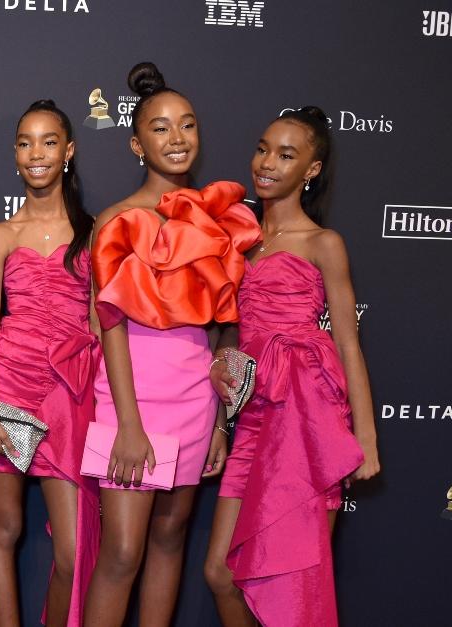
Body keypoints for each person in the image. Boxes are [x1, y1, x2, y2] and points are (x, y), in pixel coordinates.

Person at [83, 62, 260, 627]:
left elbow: (219, 330)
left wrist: (218, 423)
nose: (177, 138)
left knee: (168, 539)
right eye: (160, 128)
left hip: (194, 400)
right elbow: (107, 327)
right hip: (131, 402)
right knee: (122, 553)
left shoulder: (219, 222)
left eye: (187, 125)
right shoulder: (117, 220)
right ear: (136, 142)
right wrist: (129, 426)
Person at [203, 107, 381, 627]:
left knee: (292, 580)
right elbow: (228, 337)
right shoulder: (238, 239)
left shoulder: (324, 244)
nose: (267, 163)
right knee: (221, 573)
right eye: (263, 149)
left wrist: (365, 439)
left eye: (286, 155)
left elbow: (349, 344)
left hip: (306, 417)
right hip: (253, 417)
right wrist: (218, 418)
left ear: (312, 170)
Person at [0, 99, 98, 627]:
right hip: (9, 393)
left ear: (68, 151)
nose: (35, 153)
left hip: (70, 395)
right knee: (4, 528)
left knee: (72, 549)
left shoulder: (93, 233)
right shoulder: (1, 235)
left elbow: (100, 328)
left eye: (48, 141)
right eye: (25, 142)